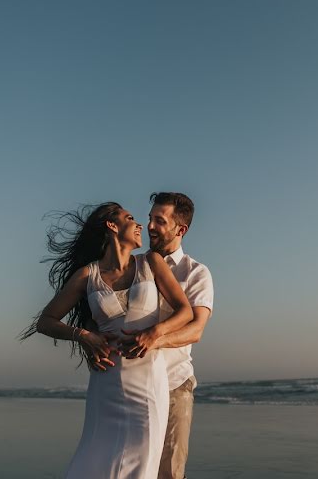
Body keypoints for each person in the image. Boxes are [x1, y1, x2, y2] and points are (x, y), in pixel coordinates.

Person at [23, 202, 193, 479]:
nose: (140, 225)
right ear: (112, 226)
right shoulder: (87, 275)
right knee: (93, 462)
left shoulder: (151, 262)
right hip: (107, 382)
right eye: (130, 219)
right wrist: (83, 335)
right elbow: (46, 321)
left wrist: (155, 332)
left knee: (141, 465)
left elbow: (185, 311)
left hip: (148, 383)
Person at [136, 192, 215, 479]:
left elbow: (195, 330)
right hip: (134, 385)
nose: (150, 226)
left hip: (173, 384)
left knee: (168, 472)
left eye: (159, 220)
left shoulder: (196, 273)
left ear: (180, 229)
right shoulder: (135, 266)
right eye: (149, 219)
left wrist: (152, 340)